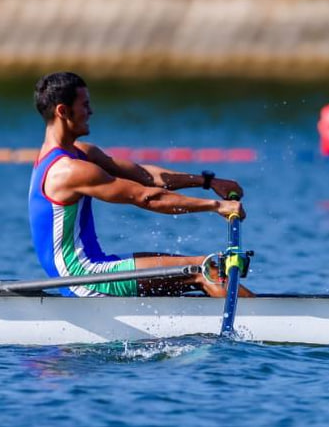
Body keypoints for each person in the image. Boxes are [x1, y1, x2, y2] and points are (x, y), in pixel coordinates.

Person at [29, 71, 252, 297]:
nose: (91, 111)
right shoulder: (68, 171)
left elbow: (146, 176)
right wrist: (217, 206)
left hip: (95, 267)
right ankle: (261, 323)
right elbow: (147, 197)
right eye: (85, 105)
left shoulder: (79, 154)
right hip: (83, 277)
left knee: (197, 269)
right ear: (63, 111)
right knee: (203, 270)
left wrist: (208, 181)